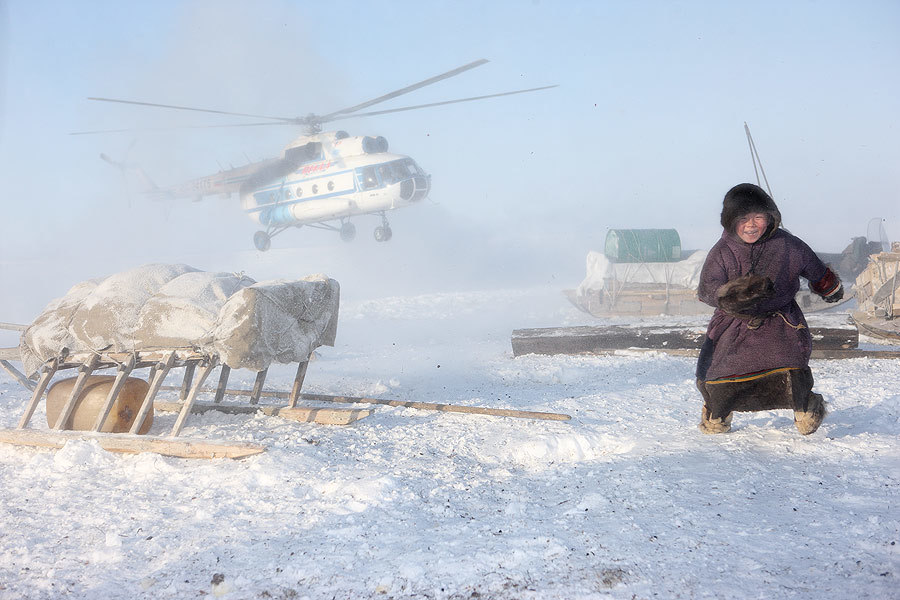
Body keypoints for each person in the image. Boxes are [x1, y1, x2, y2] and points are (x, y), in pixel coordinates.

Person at [695, 183, 843, 435]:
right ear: (731, 221)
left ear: (770, 217)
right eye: (743, 218)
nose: (751, 225)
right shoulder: (722, 251)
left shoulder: (788, 245)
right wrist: (732, 296)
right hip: (734, 324)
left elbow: (816, 270)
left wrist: (829, 287)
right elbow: (707, 288)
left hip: (780, 322)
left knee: (790, 365)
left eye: (758, 217)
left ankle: (806, 408)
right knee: (719, 371)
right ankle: (717, 412)